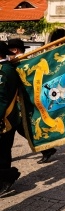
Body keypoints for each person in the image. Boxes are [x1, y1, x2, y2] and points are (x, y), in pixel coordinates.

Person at [7, 38, 57, 164]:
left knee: (19, 128)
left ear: (15, 50)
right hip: (20, 101)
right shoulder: (22, 61)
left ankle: (47, 149)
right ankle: (47, 149)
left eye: (9, 51)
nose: (8, 54)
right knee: (19, 128)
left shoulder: (21, 62)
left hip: (21, 102)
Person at [0, 42, 22, 196]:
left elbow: (1, 99)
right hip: (9, 117)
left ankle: (8, 176)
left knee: (2, 151)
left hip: (4, 118)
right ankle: (6, 178)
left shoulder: (4, 71)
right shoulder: (8, 68)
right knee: (3, 151)